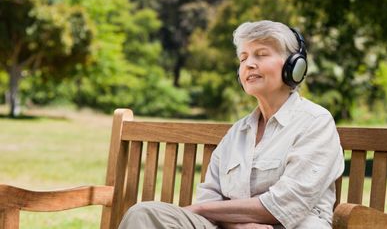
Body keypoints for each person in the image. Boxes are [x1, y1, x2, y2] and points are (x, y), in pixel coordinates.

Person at [119, 20, 345, 229]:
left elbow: (285, 204)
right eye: (243, 58)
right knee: (143, 214)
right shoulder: (237, 133)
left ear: (294, 66)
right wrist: (237, 226)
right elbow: (210, 198)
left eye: (261, 55)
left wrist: (199, 208)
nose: (249, 64)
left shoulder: (315, 122)